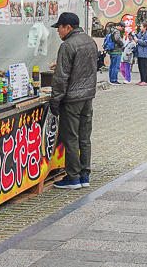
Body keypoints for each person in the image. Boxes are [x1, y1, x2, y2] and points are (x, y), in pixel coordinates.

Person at [50, 12, 99, 190]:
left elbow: (61, 78)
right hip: (88, 97)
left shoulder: (68, 45)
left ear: (68, 27)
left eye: (60, 28)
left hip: (72, 99)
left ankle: (72, 178)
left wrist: (55, 101)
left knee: (71, 137)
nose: (58, 32)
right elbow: (89, 67)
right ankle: (84, 175)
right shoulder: (89, 41)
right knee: (84, 137)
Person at [135, 21, 147, 86]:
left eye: (141, 26)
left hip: (144, 53)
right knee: (140, 67)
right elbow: (137, 37)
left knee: (144, 67)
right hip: (140, 53)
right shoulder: (141, 33)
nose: (140, 28)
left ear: (145, 27)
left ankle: (145, 80)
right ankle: (142, 79)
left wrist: (138, 40)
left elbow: (146, 43)